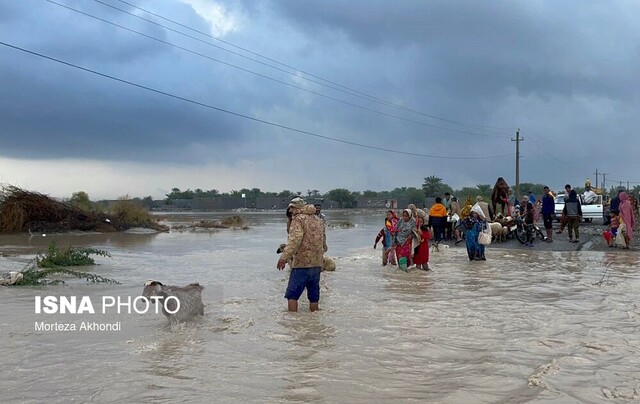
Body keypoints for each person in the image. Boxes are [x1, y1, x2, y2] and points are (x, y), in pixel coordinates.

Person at [277, 198, 328, 312]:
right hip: (316, 264)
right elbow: (324, 243)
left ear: (298, 208)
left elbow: (295, 241)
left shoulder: (298, 219)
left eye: (292, 207)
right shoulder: (318, 219)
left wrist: (283, 258)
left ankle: (292, 326)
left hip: (301, 264)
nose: (290, 210)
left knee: (292, 296)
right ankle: (314, 324)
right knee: (314, 298)